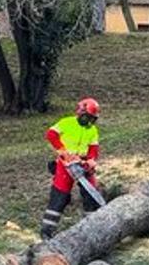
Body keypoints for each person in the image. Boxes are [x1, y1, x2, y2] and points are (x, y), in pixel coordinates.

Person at [40, 97, 102, 239]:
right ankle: (47, 231)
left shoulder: (92, 130)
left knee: (91, 195)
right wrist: (62, 150)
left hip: (83, 163)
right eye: (88, 117)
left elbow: (93, 148)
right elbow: (51, 134)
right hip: (65, 164)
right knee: (59, 197)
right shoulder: (66, 122)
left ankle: (92, 228)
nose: (89, 121)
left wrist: (91, 161)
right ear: (80, 112)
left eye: (92, 119)